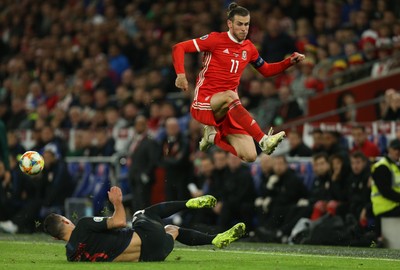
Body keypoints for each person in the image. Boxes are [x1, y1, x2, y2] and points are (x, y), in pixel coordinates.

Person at [172, 2, 305, 162]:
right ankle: (263, 139)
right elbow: (179, 48)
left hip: (228, 108)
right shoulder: (215, 39)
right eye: (240, 24)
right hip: (204, 103)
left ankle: (212, 137)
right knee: (230, 95)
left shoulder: (249, 48)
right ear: (230, 24)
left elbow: (267, 70)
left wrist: (289, 62)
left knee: (250, 156)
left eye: (247, 24)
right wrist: (181, 75)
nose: (244, 28)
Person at [43, 186, 246, 262]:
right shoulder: (84, 225)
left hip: (152, 256)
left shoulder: (71, 256)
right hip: (147, 238)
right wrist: (117, 203)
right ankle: (188, 203)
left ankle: (216, 239)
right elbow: (119, 221)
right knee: (141, 213)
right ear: (64, 220)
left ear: (54, 237)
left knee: (172, 230)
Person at [370, 138, 400, 235]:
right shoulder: (382, 166)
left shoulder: (394, 166)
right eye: (395, 149)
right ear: (389, 149)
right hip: (385, 208)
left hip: (393, 206)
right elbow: (386, 192)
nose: (398, 151)